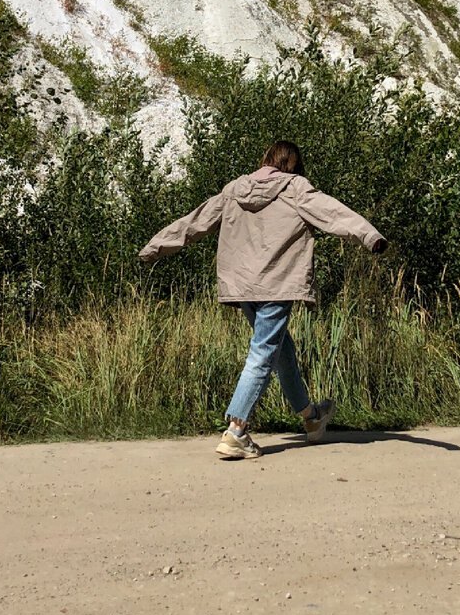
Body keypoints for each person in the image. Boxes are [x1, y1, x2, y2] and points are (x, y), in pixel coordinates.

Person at [139, 140, 387, 459]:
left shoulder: (234, 190)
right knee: (263, 352)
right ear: (293, 165)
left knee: (282, 350)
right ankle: (236, 432)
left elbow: (194, 222)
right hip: (278, 283)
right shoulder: (296, 187)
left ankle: (312, 419)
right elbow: (333, 212)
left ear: (265, 160)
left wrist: (154, 247)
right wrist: (370, 236)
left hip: (243, 286)